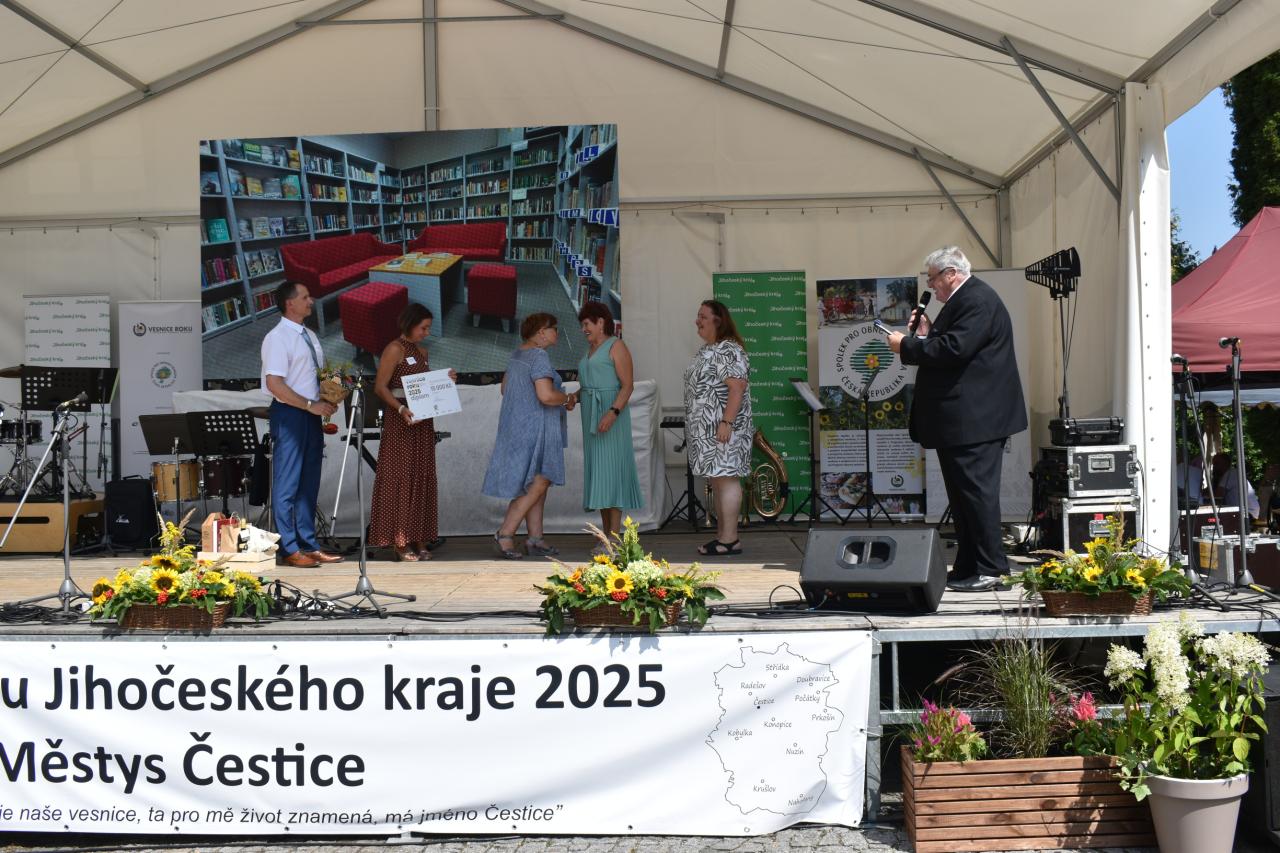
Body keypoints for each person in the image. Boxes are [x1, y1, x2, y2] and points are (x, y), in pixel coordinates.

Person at [888, 247, 1027, 592]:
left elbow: (954, 349)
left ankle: (992, 569)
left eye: (933, 278)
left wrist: (907, 346)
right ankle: (969, 566)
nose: (930, 286)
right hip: (964, 421)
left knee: (977, 496)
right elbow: (955, 346)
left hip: (976, 420)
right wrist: (926, 333)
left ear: (951, 274)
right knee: (963, 498)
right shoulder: (965, 300)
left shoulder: (976, 299)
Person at [260, 282, 344, 569]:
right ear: (290, 303)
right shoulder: (277, 337)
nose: (311, 301)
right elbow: (274, 383)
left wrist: (330, 395)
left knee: (309, 481)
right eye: (305, 297)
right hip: (290, 414)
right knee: (288, 483)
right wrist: (309, 405)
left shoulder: (309, 334)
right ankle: (289, 547)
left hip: (310, 413)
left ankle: (308, 544)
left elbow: (312, 375)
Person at [368, 303, 457, 561]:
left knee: (420, 476)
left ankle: (418, 537)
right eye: (423, 328)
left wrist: (445, 381)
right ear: (409, 324)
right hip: (401, 421)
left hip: (422, 422)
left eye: (428, 328)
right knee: (400, 476)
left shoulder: (422, 352)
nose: (426, 333)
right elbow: (380, 387)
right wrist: (400, 409)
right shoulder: (394, 349)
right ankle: (399, 539)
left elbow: (425, 387)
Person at [482, 313, 571, 559]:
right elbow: (546, 396)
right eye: (554, 328)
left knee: (536, 482)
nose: (557, 333)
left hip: (518, 427)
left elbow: (505, 389)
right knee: (539, 481)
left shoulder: (517, 355)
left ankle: (535, 539)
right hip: (537, 428)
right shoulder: (539, 356)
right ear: (541, 331)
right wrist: (568, 398)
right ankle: (505, 534)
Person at [565, 302, 642, 546]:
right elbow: (590, 384)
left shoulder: (616, 346)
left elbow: (627, 385)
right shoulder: (590, 349)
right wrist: (575, 396)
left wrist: (613, 412)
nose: (583, 329)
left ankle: (615, 537)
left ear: (601, 322)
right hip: (592, 417)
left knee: (612, 472)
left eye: (587, 324)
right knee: (599, 475)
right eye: (582, 324)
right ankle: (607, 536)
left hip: (611, 416)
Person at [684, 299, 753, 557]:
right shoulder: (708, 350)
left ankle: (730, 539)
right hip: (708, 432)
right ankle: (724, 537)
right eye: (698, 316)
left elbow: (737, 388)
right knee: (719, 480)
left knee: (727, 479)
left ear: (718, 320)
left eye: (703, 316)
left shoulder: (727, 349)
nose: (697, 321)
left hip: (724, 429)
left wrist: (727, 422)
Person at [1212, 453, 1261, 519]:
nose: (1214, 467)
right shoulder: (1229, 474)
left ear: (1225, 463)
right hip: (1246, 512)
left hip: (1248, 514)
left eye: (1216, 463)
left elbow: (1218, 494)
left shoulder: (1230, 474)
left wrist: (1200, 493)